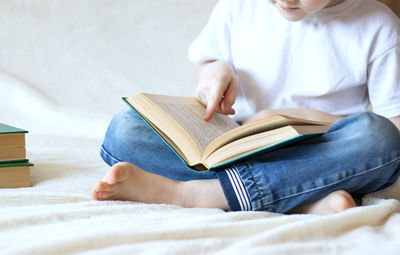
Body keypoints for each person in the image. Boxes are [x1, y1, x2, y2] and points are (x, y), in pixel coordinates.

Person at [92, 0, 400, 215]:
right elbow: (208, 62)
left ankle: (192, 193)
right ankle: (303, 201)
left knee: (382, 139)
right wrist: (216, 72)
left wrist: (292, 119)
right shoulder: (237, 6)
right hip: (234, 142)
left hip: (319, 151)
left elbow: (394, 125)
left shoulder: (378, 25)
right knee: (125, 129)